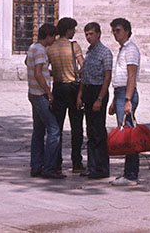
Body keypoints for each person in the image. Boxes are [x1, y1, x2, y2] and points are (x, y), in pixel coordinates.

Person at [46, 17, 85, 174]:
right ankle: (76, 162)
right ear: (68, 30)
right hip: (73, 88)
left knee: (57, 127)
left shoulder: (51, 47)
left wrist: (54, 72)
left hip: (58, 87)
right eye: (73, 29)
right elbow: (83, 65)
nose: (74, 32)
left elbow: (43, 66)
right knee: (76, 127)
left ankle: (57, 163)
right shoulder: (73, 46)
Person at [26, 22, 64, 179]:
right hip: (40, 94)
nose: (53, 40)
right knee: (54, 130)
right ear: (47, 36)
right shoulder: (41, 50)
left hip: (33, 92)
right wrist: (49, 92)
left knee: (38, 130)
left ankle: (36, 165)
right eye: (53, 37)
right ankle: (49, 167)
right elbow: (38, 73)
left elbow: (31, 65)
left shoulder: (32, 48)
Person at [76, 22, 112, 179]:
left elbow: (107, 77)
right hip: (88, 91)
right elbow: (85, 75)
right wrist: (80, 95)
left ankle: (101, 168)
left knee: (98, 131)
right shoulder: (89, 52)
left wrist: (100, 98)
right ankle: (92, 166)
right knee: (90, 130)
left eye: (91, 34)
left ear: (98, 34)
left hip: (98, 91)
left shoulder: (105, 53)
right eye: (86, 34)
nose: (88, 37)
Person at [109, 18, 140, 187]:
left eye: (118, 30)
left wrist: (127, 99)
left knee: (128, 135)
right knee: (127, 133)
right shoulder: (123, 49)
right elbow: (121, 77)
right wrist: (116, 100)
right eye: (113, 30)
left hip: (126, 94)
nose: (115, 33)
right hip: (120, 93)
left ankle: (131, 175)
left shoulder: (131, 49)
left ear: (127, 31)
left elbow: (131, 76)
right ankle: (129, 173)